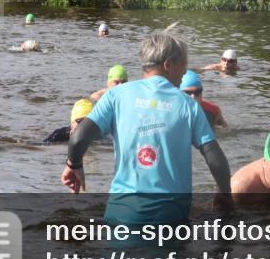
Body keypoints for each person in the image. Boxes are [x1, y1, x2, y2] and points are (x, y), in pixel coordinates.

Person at [60, 32, 234, 223]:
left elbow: (78, 138)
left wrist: (73, 165)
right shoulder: (189, 105)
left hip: (122, 214)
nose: (185, 71)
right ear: (168, 65)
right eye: (183, 64)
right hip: (171, 216)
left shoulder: (115, 96)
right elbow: (214, 158)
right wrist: (225, 193)